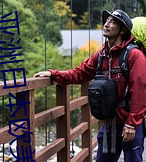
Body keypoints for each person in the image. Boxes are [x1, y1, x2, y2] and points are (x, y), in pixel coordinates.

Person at [33, 9, 146, 162]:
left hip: (129, 123)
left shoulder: (134, 55)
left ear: (123, 30)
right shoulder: (101, 55)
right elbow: (80, 73)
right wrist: (53, 74)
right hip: (108, 123)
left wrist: (132, 124)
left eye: (112, 22)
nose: (106, 24)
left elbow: (140, 90)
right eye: (106, 21)